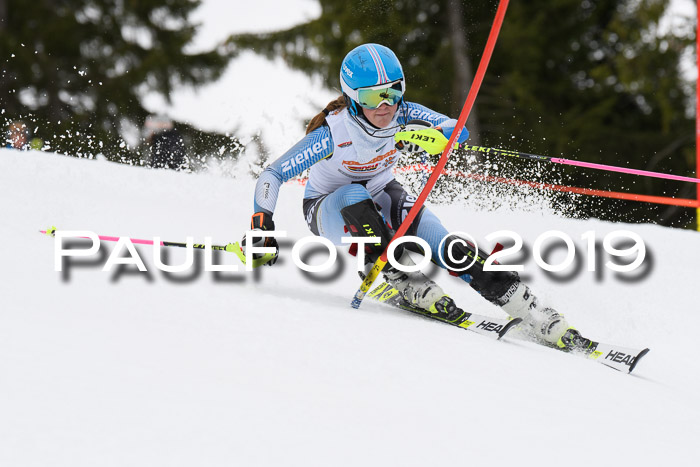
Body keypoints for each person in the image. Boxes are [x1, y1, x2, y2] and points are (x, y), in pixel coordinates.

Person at [243, 43, 588, 350]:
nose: (385, 106)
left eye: (393, 92)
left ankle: (526, 307)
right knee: (352, 193)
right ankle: (398, 274)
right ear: (351, 98)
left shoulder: (404, 113)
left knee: (445, 242)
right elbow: (273, 174)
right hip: (329, 210)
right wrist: (262, 226)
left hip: (381, 195)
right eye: (371, 97)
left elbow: (455, 127)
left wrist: (444, 136)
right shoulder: (332, 133)